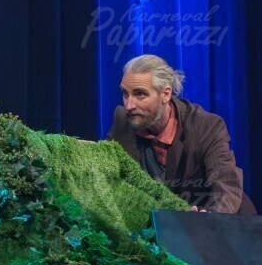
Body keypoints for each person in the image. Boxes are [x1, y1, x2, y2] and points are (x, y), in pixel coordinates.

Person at [107, 54, 255, 214]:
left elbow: (226, 185)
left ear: (165, 94)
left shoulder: (206, 126)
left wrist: (211, 219)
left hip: (224, 220)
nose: (129, 105)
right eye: (125, 94)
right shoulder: (123, 120)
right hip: (164, 224)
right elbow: (105, 173)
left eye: (140, 94)